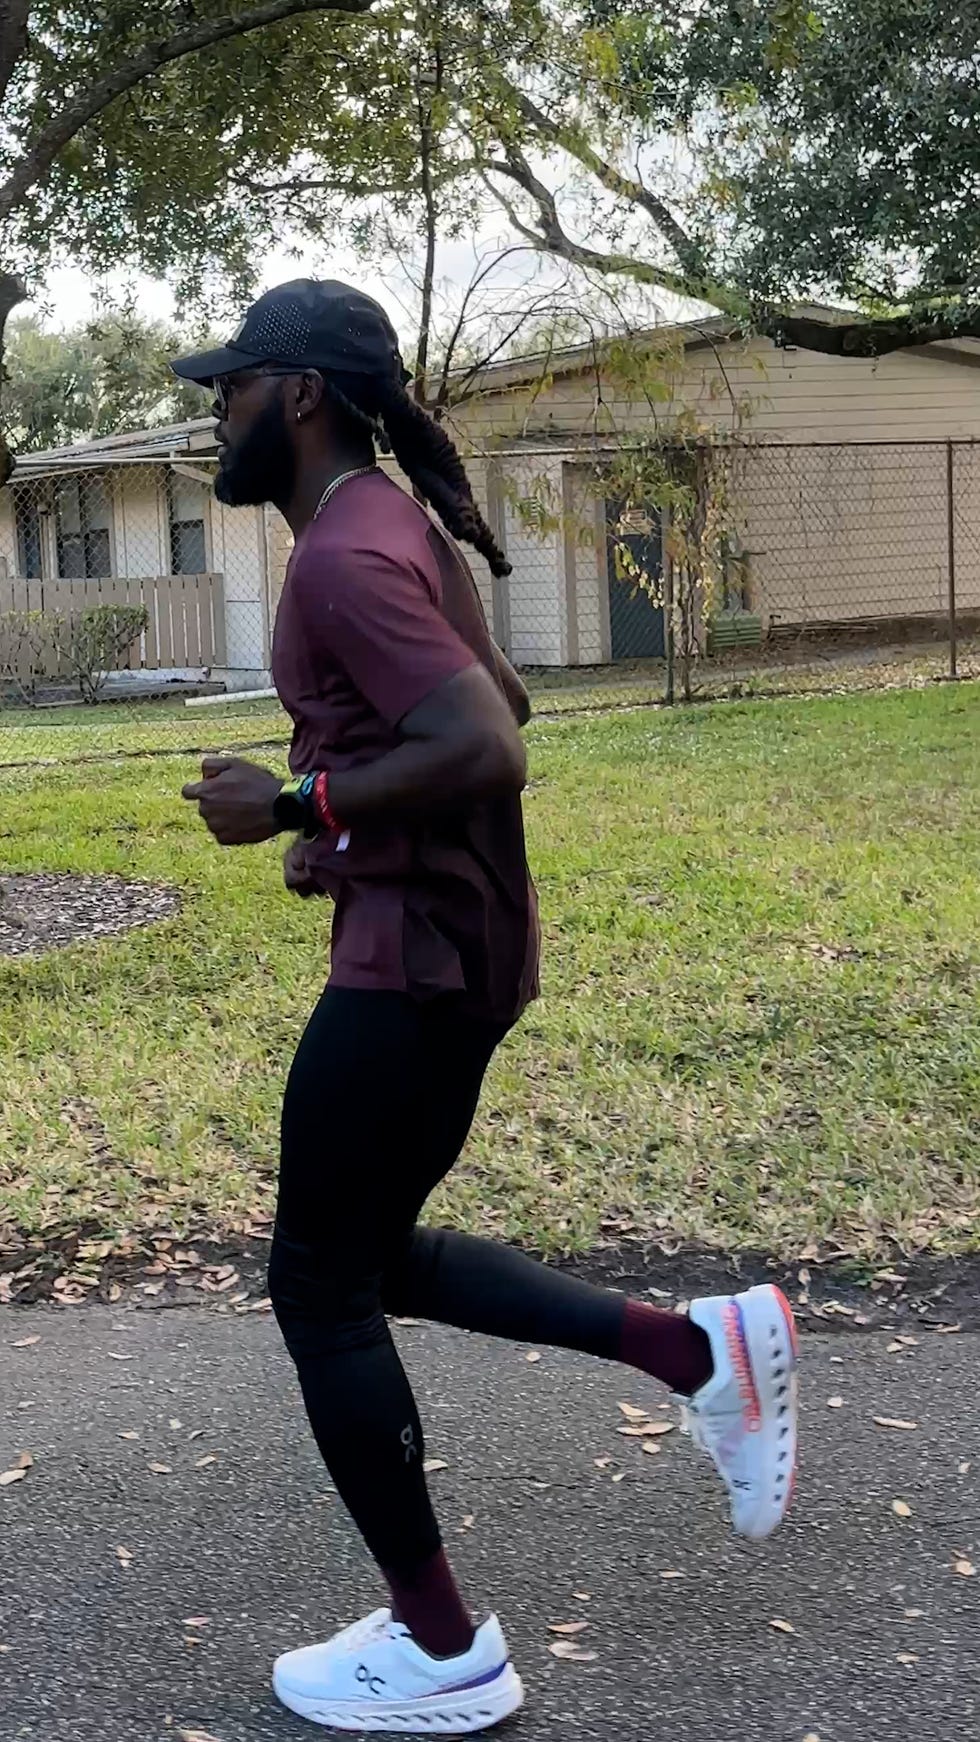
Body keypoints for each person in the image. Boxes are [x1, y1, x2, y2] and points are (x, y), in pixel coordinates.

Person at [175, 279, 799, 1737]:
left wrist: (292, 805)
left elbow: (482, 742)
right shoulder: (382, 523)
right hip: (451, 950)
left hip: (417, 968)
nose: (220, 407)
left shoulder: (342, 555)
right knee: (369, 1252)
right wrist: (348, 830)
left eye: (236, 383)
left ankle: (442, 1644)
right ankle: (695, 1347)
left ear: (304, 394)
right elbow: (498, 693)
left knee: (317, 1283)